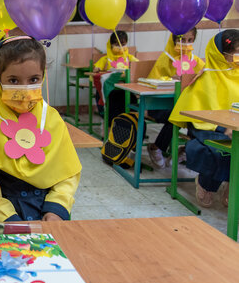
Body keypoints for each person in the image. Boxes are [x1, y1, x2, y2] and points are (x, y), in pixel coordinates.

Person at [0, 36, 82, 222]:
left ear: (43, 77)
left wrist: (56, 207)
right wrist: (7, 217)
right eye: (14, 81)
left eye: (33, 79)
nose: (25, 89)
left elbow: (68, 173)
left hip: (45, 208)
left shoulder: (51, 119)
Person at [169, 29, 239, 208]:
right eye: (236, 53)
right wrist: (223, 128)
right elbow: (197, 112)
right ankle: (207, 184)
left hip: (235, 126)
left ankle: (233, 185)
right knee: (219, 151)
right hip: (207, 127)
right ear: (221, 54)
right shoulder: (206, 75)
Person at [147, 27, 205, 168]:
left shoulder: (195, 61)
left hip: (183, 105)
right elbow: (150, 83)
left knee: (195, 115)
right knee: (176, 115)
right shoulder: (165, 59)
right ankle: (156, 147)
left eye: (190, 40)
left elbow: (206, 81)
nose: (186, 44)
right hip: (159, 105)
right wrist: (168, 79)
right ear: (174, 41)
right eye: (182, 40)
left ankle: (186, 149)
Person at [91, 31, 139, 124]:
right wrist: (97, 69)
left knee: (132, 100)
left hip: (126, 90)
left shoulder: (129, 58)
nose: (120, 47)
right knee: (112, 103)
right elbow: (96, 70)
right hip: (111, 90)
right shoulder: (105, 59)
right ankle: (111, 128)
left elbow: (138, 66)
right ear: (111, 45)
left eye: (123, 44)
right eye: (117, 44)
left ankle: (130, 125)